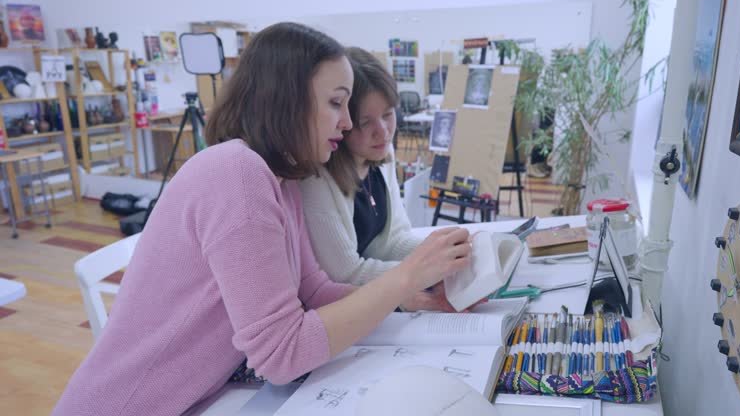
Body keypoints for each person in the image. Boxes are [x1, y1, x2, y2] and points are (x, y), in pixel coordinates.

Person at [52, 24, 470, 416]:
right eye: (335, 103)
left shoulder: (281, 178)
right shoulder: (237, 173)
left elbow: (314, 288)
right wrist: (403, 279)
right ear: (287, 98)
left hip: (197, 397)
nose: (345, 122)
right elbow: (281, 354)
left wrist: (405, 296)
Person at [300, 48, 458, 311]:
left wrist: (445, 256)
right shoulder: (317, 178)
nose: (383, 132)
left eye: (387, 115)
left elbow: (393, 241)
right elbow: (345, 274)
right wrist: (425, 273)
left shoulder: (382, 156)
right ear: (343, 122)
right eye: (365, 123)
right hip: (343, 312)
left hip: (378, 301)